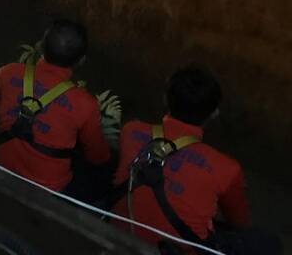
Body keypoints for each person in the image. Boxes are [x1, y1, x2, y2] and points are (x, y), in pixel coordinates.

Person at [112, 67, 282, 255]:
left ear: (165, 99)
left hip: (117, 234)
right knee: (266, 242)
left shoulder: (131, 131)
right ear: (214, 113)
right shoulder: (226, 169)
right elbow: (239, 223)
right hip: (176, 250)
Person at [0, 20, 111, 196]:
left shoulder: (11, 72)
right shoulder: (85, 104)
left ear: (41, 47)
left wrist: (6, 113)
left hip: (2, 168)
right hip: (49, 191)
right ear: (81, 61)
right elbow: (98, 157)